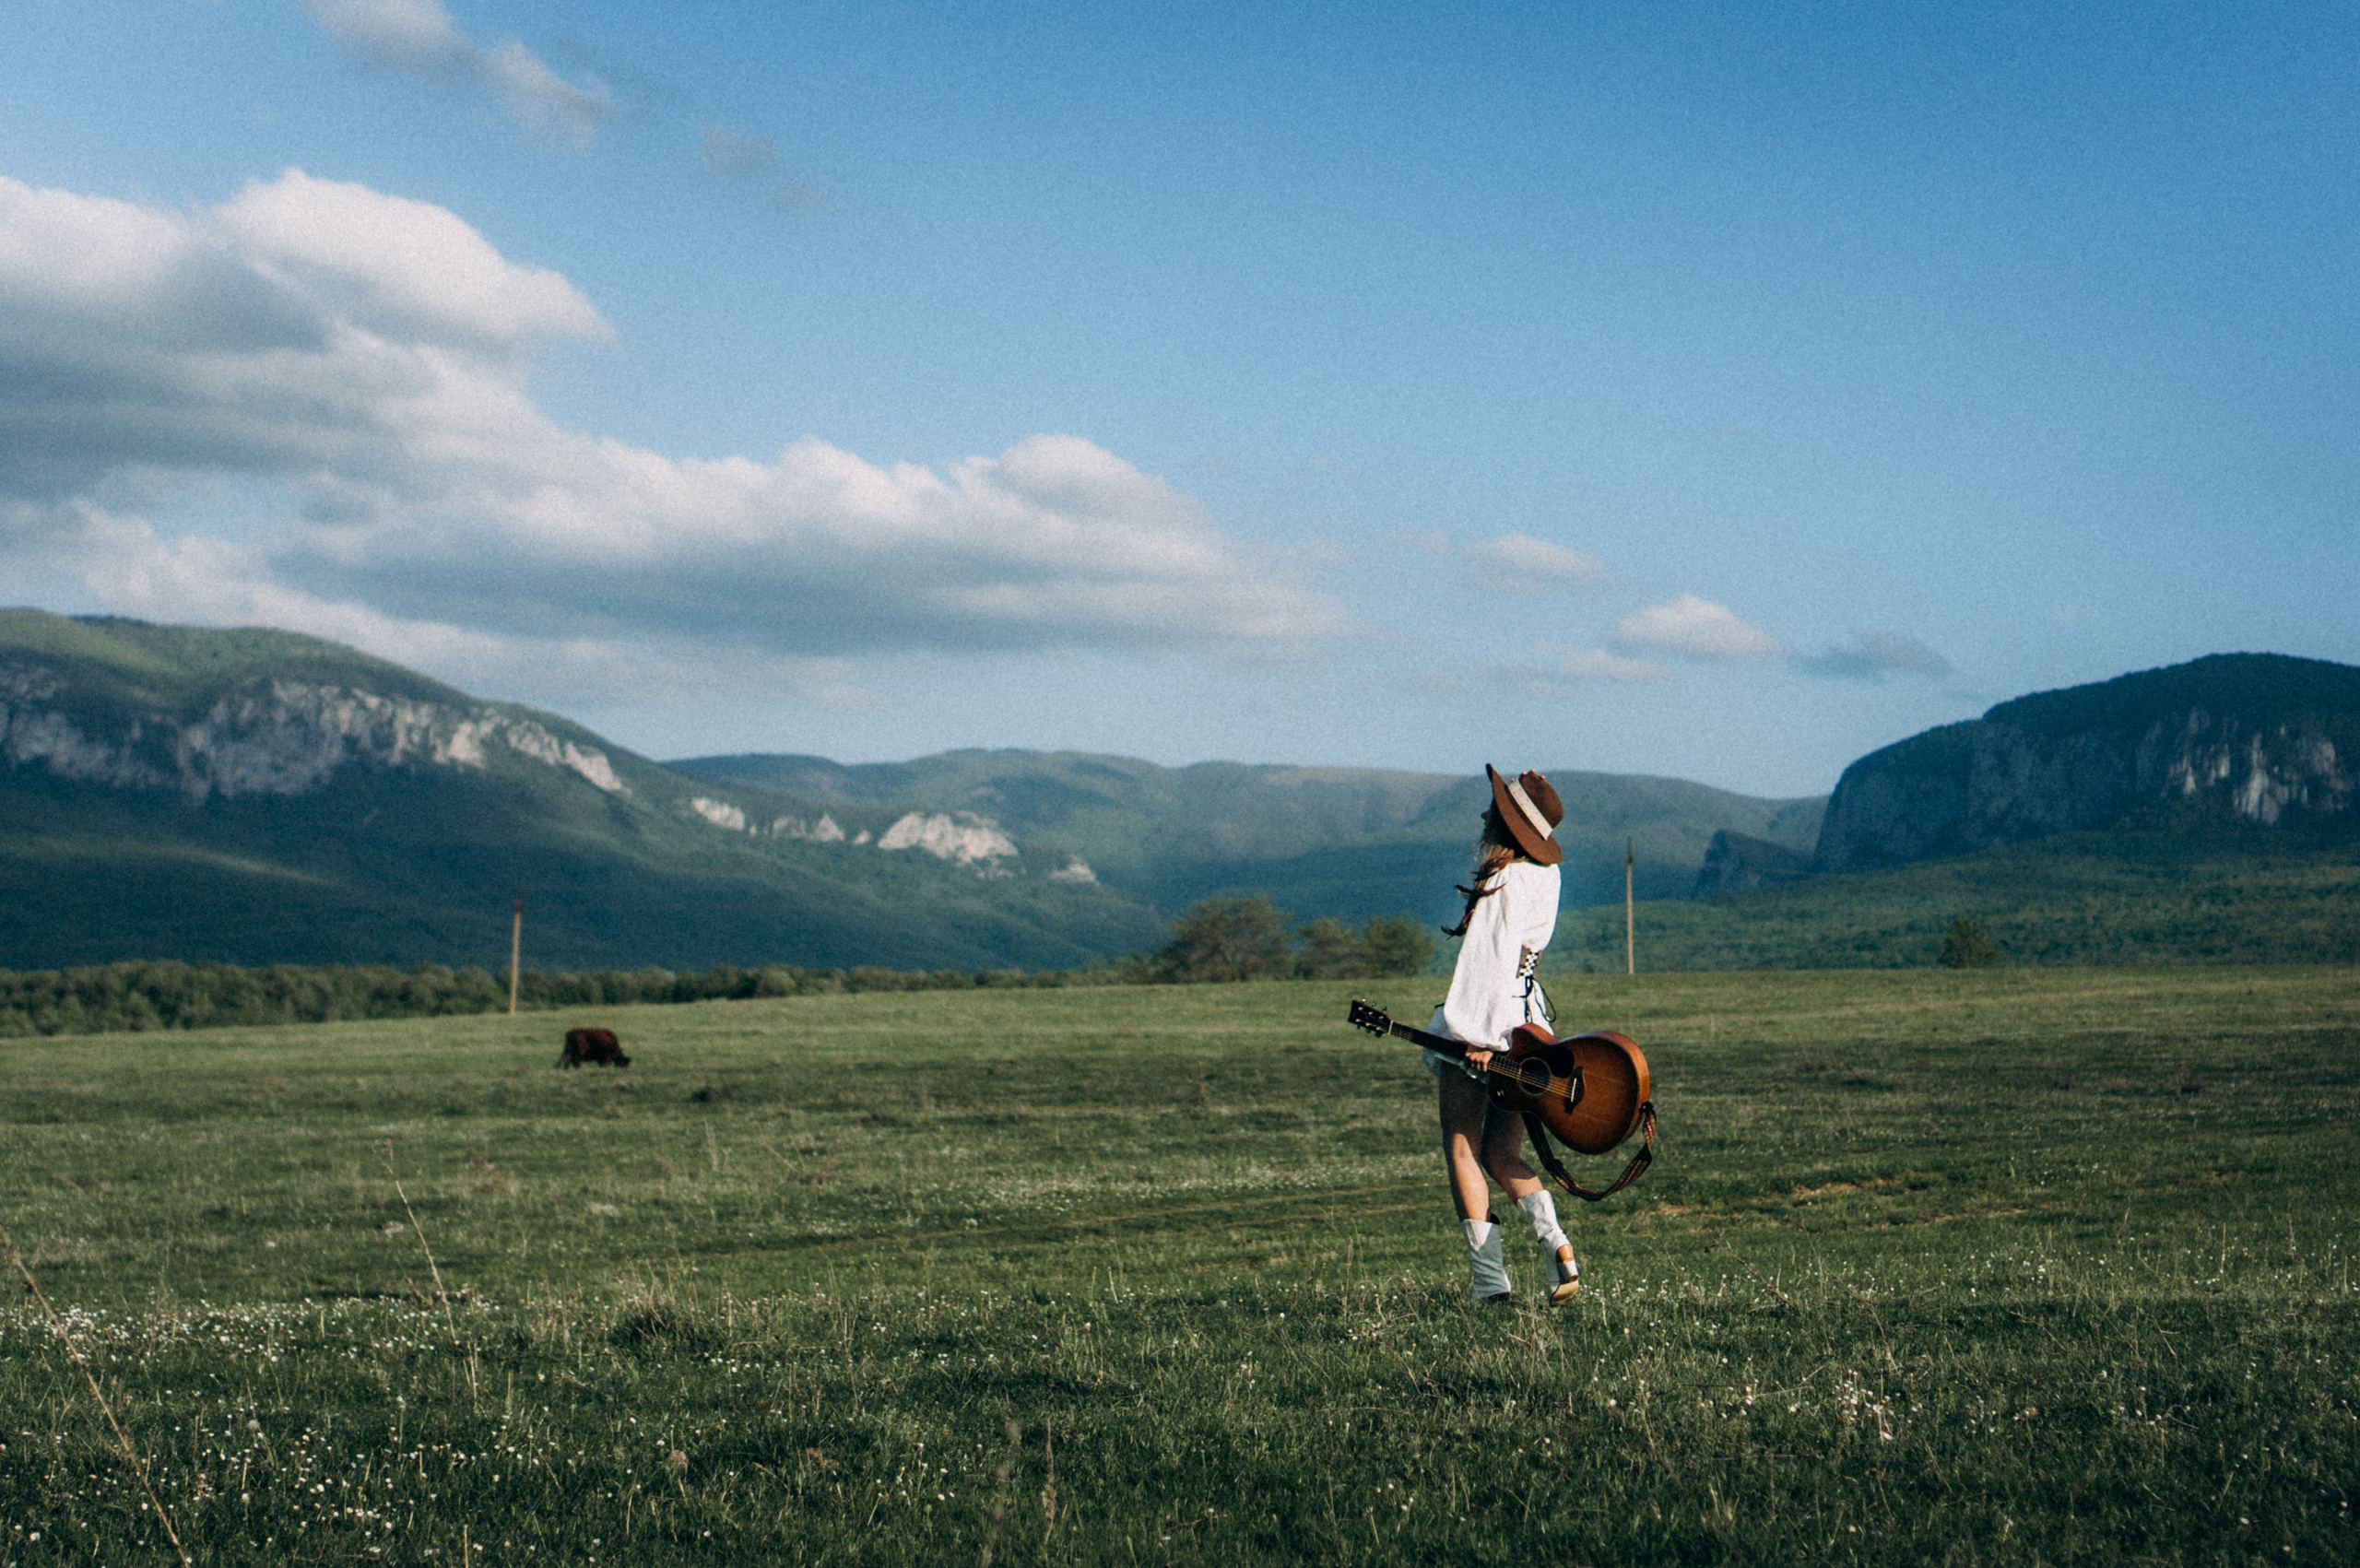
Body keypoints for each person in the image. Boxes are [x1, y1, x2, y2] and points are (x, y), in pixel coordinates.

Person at [1424, 764, 1577, 1305]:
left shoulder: (1502, 878)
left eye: (1497, 809)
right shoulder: (1549, 877)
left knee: (1463, 1149)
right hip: (1529, 1028)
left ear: (1510, 825)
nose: (1486, 814)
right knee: (1503, 1154)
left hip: (1487, 1028)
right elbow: (1520, 964)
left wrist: (1471, 1036)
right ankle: (1557, 1247)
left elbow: (1484, 968)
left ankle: (1489, 1285)